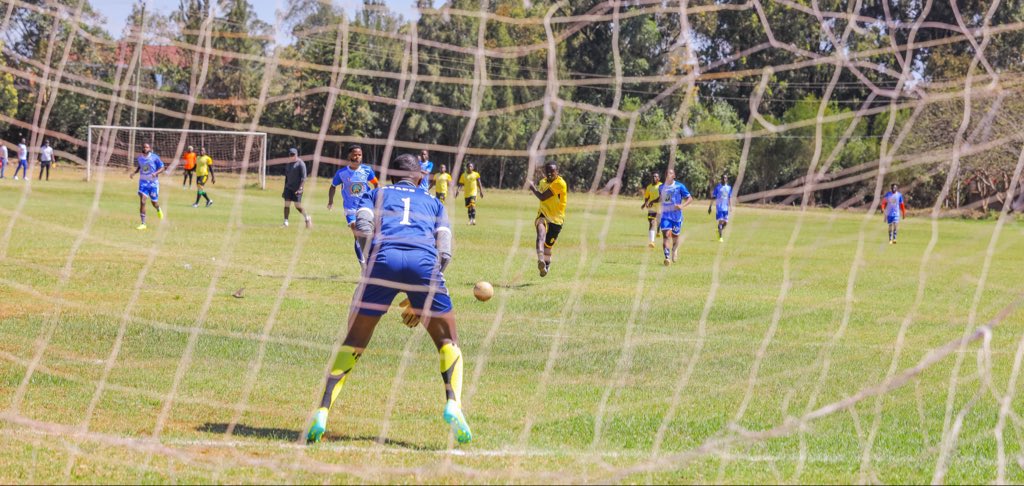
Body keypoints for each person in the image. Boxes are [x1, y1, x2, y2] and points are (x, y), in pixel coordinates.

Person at [307, 153, 472, 445]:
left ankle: (322, 410)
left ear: (392, 175)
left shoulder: (377, 192)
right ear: (420, 176)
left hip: (382, 261)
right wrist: (420, 299)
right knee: (449, 343)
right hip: (424, 264)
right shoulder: (434, 202)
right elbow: (444, 250)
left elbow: (363, 227)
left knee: (354, 341)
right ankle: (453, 404)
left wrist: (374, 263)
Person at [329, 144, 378, 263]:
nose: (357, 157)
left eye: (359, 155)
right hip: (350, 209)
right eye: (355, 154)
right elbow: (333, 186)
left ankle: (371, 260)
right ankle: (363, 264)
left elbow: (376, 184)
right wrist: (330, 201)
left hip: (366, 207)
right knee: (358, 235)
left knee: (369, 235)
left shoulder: (367, 170)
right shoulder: (342, 173)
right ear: (349, 156)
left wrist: (377, 198)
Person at [528, 162, 567, 277]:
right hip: (543, 215)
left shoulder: (560, 183)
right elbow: (541, 195)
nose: (550, 174)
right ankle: (540, 259)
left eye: (552, 172)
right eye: (548, 172)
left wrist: (532, 188)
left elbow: (542, 196)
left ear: (557, 172)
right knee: (540, 234)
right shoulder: (542, 182)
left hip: (557, 220)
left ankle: (546, 266)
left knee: (548, 247)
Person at [658, 169, 692, 266]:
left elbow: (690, 198)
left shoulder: (680, 186)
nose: (668, 175)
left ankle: (674, 249)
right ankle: (667, 257)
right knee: (666, 235)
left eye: (670, 173)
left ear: (674, 175)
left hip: (677, 216)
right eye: (666, 173)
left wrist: (682, 206)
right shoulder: (661, 187)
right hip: (665, 215)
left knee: (675, 236)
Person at [129, 143, 165, 230]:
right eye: (144, 147)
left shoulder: (154, 157)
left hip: (153, 184)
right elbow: (140, 167)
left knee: (154, 202)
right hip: (143, 183)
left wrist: (155, 173)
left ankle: (158, 208)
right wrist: (134, 173)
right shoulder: (140, 158)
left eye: (147, 147)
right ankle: (143, 223)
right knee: (143, 200)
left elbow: (162, 168)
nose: (145, 148)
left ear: (150, 148)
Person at [282, 148, 311, 228]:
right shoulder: (288, 164)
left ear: (296, 155)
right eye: (290, 154)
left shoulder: (301, 164)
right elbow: (287, 177)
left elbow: (303, 178)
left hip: (297, 188)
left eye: (293, 154)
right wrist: (284, 188)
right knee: (286, 204)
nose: (292, 156)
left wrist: (300, 188)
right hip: (288, 188)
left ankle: (307, 218)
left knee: (297, 206)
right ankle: (286, 222)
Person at [708, 174, 732, 242]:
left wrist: (730, 207)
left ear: (727, 179)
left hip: (726, 208)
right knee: (720, 221)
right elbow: (713, 197)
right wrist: (710, 207)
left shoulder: (729, 188)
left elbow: (729, 198)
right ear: (721, 179)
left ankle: (719, 231)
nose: (724, 179)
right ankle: (720, 237)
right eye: (723, 178)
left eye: (725, 178)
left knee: (726, 223)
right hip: (719, 208)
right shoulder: (718, 187)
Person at [641, 172, 662, 247]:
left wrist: (653, 201)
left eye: (656, 177)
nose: (654, 178)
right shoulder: (649, 187)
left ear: (658, 178)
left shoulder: (661, 186)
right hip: (652, 207)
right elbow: (647, 196)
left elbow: (662, 198)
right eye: (653, 176)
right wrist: (645, 203)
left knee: (659, 222)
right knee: (651, 222)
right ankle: (652, 242)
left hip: (660, 207)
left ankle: (658, 231)